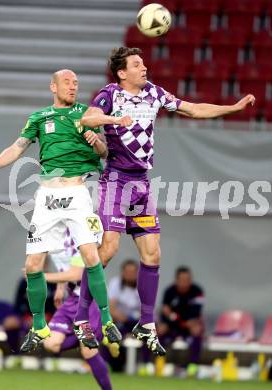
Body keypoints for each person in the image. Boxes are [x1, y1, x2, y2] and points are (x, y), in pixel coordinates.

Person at [74, 46, 255, 355]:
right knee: (108, 249)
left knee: (153, 254)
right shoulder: (110, 94)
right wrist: (115, 121)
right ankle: (81, 319)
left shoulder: (154, 93)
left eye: (143, 62)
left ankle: (146, 324)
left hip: (141, 184)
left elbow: (193, 109)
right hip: (116, 181)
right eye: (136, 64)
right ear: (122, 73)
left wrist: (232, 108)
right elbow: (89, 119)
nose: (144, 67)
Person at [0, 69, 121, 353]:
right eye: (67, 82)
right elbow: (17, 147)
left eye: (76, 83)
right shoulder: (39, 117)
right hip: (48, 197)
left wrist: (97, 142)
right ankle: (39, 326)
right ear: (53, 86)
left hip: (78, 192)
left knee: (92, 257)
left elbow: (105, 154)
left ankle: (105, 320)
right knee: (32, 266)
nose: (73, 86)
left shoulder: (86, 114)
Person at [43, 229, 113, 390]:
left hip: (90, 299)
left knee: (88, 352)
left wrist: (41, 277)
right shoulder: (58, 237)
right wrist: (61, 288)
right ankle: (90, 336)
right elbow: (65, 267)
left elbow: (76, 274)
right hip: (72, 299)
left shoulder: (84, 235)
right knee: (50, 343)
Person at [3, 259, 56, 354]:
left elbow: (56, 307)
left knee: (53, 326)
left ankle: (52, 356)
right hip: (26, 317)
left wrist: (44, 318)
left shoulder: (53, 282)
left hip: (47, 318)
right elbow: (18, 305)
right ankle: (15, 353)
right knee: (9, 322)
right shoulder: (24, 282)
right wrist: (26, 317)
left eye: (43, 264)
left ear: (47, 265)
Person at [157, 266, 204, 364]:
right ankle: (157, 363)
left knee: (197, 330)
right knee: (158, 330)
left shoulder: (197, 291)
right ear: (176, 280)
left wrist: (176, 317)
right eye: (182, 280)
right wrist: (172, 319)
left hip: (188, 327)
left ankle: (193, 365)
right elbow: (165, 312)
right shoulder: (169, 292)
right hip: (172, 326)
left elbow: (195, 313)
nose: (185, 283)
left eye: (187, 280)